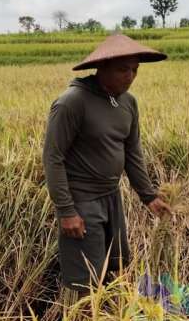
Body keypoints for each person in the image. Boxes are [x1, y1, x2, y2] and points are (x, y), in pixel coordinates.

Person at [42, 33, 173, 304]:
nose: (130, 76)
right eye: (123, 69)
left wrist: (148, 196)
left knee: (110, 269)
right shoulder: (72, 102)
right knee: (86, 280)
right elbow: (53, 158)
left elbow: (132, 151)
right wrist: (67, 211)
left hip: (112, 198)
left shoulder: (128, 103)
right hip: (82, 201)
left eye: (135, 69)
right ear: (102, 68)